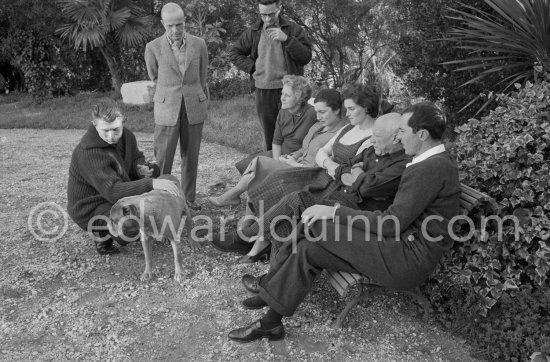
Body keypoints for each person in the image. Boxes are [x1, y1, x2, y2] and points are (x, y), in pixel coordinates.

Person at [226, 102, 461, 343]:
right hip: (397, 246)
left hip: (406, 259)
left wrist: (334, 212)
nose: (399, 138)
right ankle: (271, 323)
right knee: (310, 248)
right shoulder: (431, 162)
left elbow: (391, 223)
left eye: (402, 131)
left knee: (315, 225)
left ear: (421, 135)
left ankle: (268, 288)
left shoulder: (431, 168)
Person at [209, 84, 390, 256]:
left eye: (351, 109)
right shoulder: (349, 128)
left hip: (336, 187)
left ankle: (249, 238)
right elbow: (322, 152)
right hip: (322, 174)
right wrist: (328, 163)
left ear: (366, 108)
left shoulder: (374, 136)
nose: (347, 113)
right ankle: (260, 242)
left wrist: (328, 163)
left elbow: (349, 172)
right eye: (346, 108)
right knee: (278, 180)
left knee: (290, 194)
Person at [234, 112, 409, 264]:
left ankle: (248, 235)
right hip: (339, 196)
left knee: (296, 200)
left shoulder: (401, 164)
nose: (371, 140)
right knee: (289, 205)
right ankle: (272, 267)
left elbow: (366, 188)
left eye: (377, 136)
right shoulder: (373, 150)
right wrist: (356, 171)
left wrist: (355, 173)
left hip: (352, 213)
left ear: (395, 137)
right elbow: (347, 166)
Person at [67, 102, 180, 255]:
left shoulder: (127, 136)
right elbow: (113, 190)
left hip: (115, 194)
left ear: (123, 123)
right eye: (105, 131)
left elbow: (136, 158)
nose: (111, 136)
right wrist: (151, 183)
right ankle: (102, 234)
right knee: (129, 226)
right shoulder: (88, 153)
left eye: (116, 129)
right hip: (92, 205)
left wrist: (141, 168)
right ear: (94, 125)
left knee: (153, 177)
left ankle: (139, 229)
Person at [209, 87, 346, 207]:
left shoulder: (339, 136)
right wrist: (294, 156)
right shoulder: (318, 125)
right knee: (260, 176)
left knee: (260, 162)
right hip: (295, 164)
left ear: (337, 110)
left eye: (322, 112)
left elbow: (322, 170)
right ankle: (247, 222)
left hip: (307, 175)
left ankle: (232, 196)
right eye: (317, 112)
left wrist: (293, 164)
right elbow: (305, 148)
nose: (318, 116)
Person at [144, 2, 208, 210]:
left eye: (179, 24)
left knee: (191, 156)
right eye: (170, 25)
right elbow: (154, 75)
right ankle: (161, 201)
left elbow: (202, 76)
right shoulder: (152, 47)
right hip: (166, 108)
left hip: (193, 106)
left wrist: (198, 97)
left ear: (184, 21)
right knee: (163, 158)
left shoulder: (199, 44)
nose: (175, 30)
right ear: (163, 23)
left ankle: (188, 199)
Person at [230, 0, 312, 151]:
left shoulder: (293, 29)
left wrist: (287, 40)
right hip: (263, 91)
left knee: (293, 135)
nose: (267, 19)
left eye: (271, 14)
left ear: (279, 8)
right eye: (263, 15)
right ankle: (271, 169)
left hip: (289, 90)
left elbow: (306, 56)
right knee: (270, 136)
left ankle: (293, 169)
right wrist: (253, 67)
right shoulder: (254, 31)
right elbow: (234, 53)